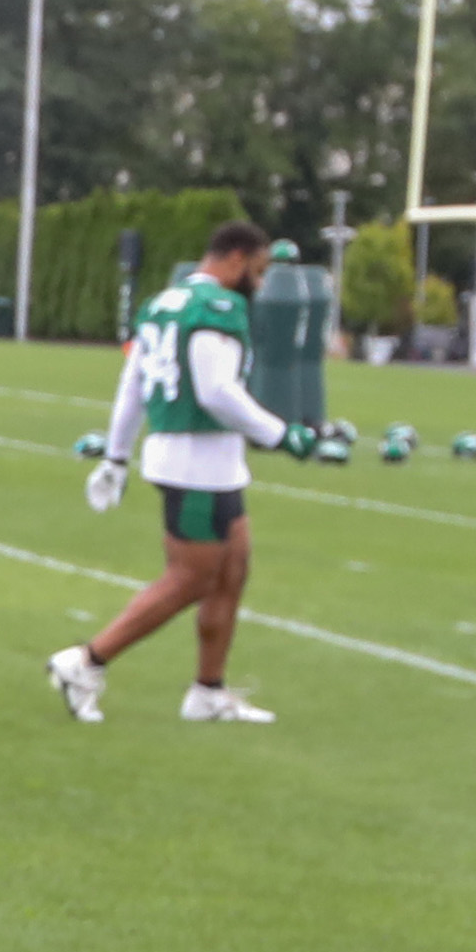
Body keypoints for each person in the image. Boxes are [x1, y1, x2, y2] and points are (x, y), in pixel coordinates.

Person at [52, 218, 316, 725]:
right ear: (235, 259)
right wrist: (280, 433)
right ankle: (85, 662)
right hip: (198, 463)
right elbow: (216, 392)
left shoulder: (163, 304)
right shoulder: (216, 307)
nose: (258, 285)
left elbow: (133, 385)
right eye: (256, 272)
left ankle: (207, 691)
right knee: (190, 579)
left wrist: (116, 455)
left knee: (232, 568)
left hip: (203, 460)